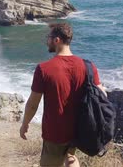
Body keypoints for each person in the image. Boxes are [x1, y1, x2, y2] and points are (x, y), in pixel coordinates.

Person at [19, 23, 106, 167]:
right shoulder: (88, 66)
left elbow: (33, 103)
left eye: (49, 37)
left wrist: (25, 124)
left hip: (55, 132)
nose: (47, 40)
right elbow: (102, 95)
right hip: (80, 130)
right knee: (71, 157)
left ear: (57, 40)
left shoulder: (44, 69)